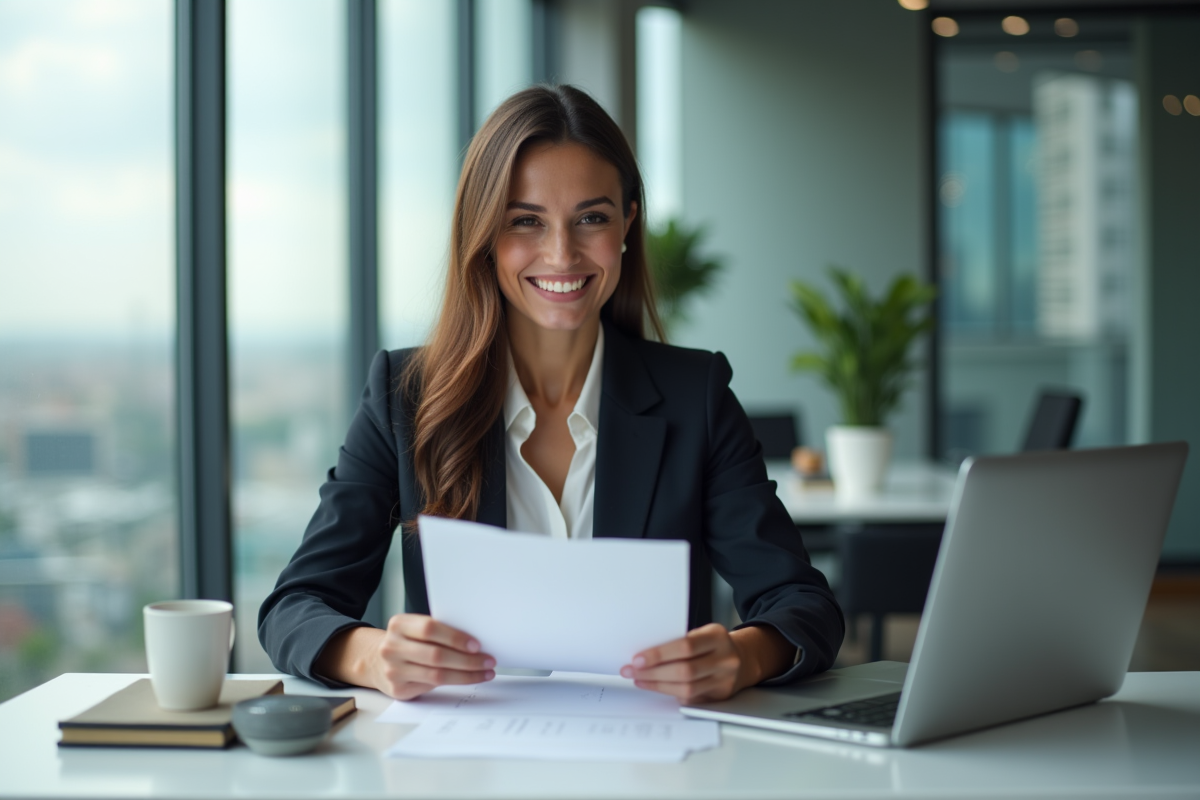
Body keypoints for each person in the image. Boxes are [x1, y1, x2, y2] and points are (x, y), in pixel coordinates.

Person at [258, 85, 843, 704]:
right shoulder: (407, 397)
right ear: (482, 233)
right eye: (525, 221)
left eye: (591, 218)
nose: (562, 253)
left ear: (627, 224)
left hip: (650, 763)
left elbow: (803, 604)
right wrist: (373, 655)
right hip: (460, 760)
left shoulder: (693, 395)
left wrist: (743, 655)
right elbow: (296, 607)